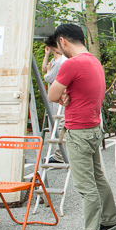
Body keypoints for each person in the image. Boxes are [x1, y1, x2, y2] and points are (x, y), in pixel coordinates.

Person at [47, 24, 116, 230]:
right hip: (94, 127)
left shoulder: (72, 64)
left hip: (78, 130)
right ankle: (109, 219)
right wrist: (65, 96)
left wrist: (61, 96)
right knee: (98, 177)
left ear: (63, 41)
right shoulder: (94, 61)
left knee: (85, 185)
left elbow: (51, 94)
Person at [42, 35, 67, 163]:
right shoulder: (56, 60)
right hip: (57, 95)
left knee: (59, 124)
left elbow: (48, 77)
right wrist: (46, 56)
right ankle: (60, 154)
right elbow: (43, 69)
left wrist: (47, 71)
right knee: (58, 124)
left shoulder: (59, 62)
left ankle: (60, 155)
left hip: (58, 95)